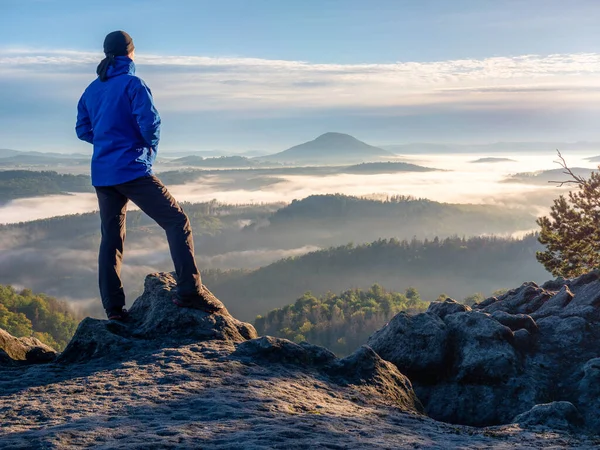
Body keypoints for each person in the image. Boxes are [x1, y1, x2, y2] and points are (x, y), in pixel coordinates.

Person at [75, 30, 222, 320]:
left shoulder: (92, 89)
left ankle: (114, 309)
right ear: (131, 53)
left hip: (104, 175)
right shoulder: (133, 84)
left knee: (111, 238)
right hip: (132, 169)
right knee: (177, 221)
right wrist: (140, 146)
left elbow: (83, 129)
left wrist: (107, 143)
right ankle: (190, 292)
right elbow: (151, 124)